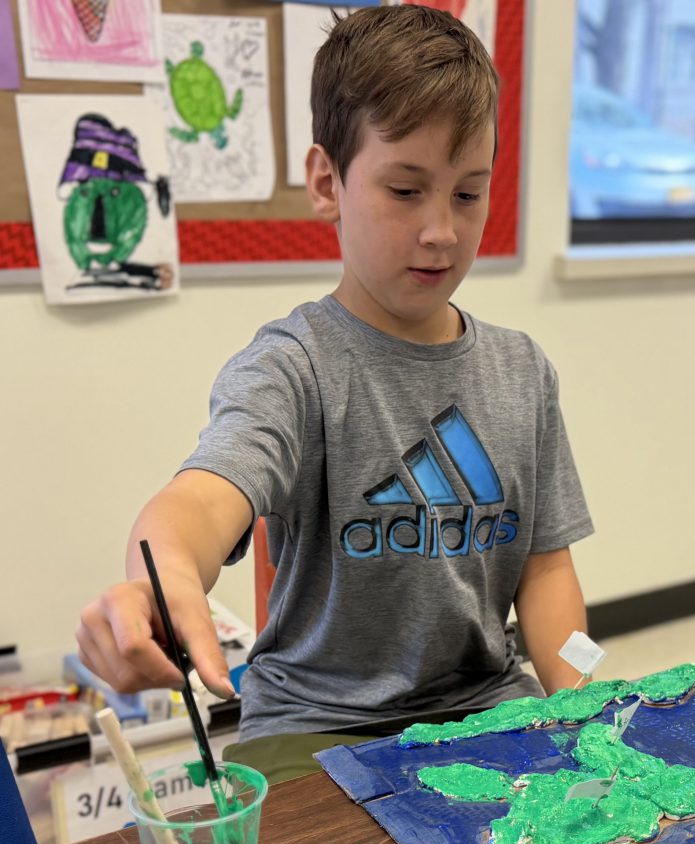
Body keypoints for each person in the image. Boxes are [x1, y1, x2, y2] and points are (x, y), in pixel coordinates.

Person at [76, 5, 593, 783]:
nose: (441, 232)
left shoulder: (523, 370)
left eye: (467, 195)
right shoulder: (293, 366)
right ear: (328, 182)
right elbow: (202, 499)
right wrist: (164, 575)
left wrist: (591, 695)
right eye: (406, 190)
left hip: (482, 708)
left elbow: (545, 572)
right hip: (315, 727)